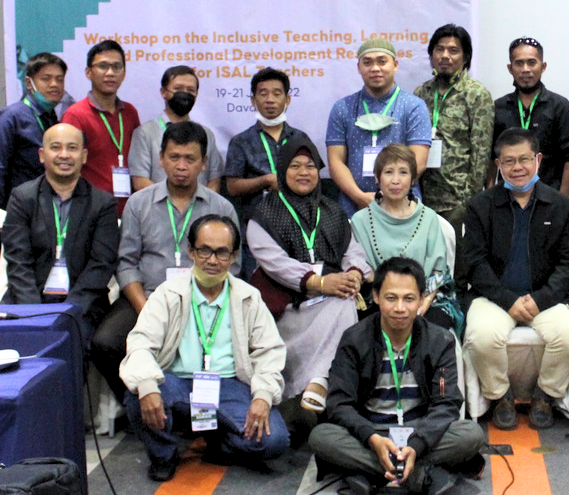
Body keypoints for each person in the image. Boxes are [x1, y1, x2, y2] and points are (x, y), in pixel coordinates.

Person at [120, 214, 290, 481]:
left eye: (222, 252)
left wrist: (262, 396)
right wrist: (148, 385)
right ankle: (164, 455)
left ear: (234, 256)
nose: (212, 260)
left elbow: (269, 352)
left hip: (229, 386)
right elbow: (141, 343)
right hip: (177, 384)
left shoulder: (249, 298)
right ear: (191, 251)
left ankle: (219, 441)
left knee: (274, 440)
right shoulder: (168, 294)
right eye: (204, 250)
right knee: (138, 393)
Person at [309, 257, 486, 494]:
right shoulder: (354, 339)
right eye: (391, 298)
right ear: (376, 296)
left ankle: (375, 474)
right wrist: (372, 438)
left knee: (470, 435)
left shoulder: (440, 341)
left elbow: (447, 403)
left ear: (422, 299)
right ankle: (419, 475)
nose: (400, 308)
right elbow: (339, 403)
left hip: (420, 431)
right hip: (371, 432)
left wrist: (417, 445)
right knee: (321, 437)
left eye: (409, 299)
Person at [99, 121, 239, 400]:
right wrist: (146, 308)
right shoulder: (138, 204)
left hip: (202, 300)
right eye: (174, 157)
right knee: (106, 342)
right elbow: (126, 263)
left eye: (190, 159)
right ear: (161, 159)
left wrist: (202, 302)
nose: (181, 166)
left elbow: (232, 267)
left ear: (204, 163)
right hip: (146, 297)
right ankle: (136, 403)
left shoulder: (221, 207)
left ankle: (188, 410)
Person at [462, 129, 569, 432]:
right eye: (509, 161)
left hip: (545, 298)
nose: (518, 167)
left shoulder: (561, 206)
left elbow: (568, 265)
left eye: (525, 159)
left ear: (538, 160)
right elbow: (475, 264)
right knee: (481, 337)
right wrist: (508, 300)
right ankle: (499, 395)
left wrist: (540, 299)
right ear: (498, 165)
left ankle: (545, 395)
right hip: (495, 298)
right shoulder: (480, 206)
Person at [243, 133, 368, 412]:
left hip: (329, 300)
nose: (304, 172)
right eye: (295, 166)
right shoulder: (264, 214)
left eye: (310, 166)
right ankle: (320, 383)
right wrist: (320, 282)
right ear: (282, 170)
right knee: (342, 304)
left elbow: (352, 250)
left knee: (345, 299)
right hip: (287, 307)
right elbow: (274, 263)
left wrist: (354, 274)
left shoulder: (332, 211)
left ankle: (320, 382)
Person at [1, 124, 120, 335]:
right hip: (27, 300)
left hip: (82, 305)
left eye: (72, 148)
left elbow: (101, 265)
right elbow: (18, 262)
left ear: (84, 156)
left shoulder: (102, 204)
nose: (64, 155)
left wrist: (67, 312)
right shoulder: (22, 198)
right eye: (55, 147)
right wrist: (35, 314)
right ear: (42, 155)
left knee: (83, 339)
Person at [350, 144, 462, 334]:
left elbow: (438, 272)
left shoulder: (429, 218)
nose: (396, 180)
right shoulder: (361, 221)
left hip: (427, 298)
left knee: (432, 334)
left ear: (412, 179)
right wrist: (392, 302)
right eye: (388, 172)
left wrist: (420, 305)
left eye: (403, 172)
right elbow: (365, 272)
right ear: (377, 177)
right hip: (378, 300)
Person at [325, 38, 432, 215]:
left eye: (382, 62)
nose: (375, 68)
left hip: (403, 203)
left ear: (395, 65)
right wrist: (359, 196)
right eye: (367, 63)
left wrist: (389, 196)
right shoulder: (342, 108)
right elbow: (336, 162)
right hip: (354, 205)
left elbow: (418, 162)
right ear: (359, 68)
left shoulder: (414, 106)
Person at [413, 23, 494, 219]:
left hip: (457, 201)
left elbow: (481, 153)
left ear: (465, 58)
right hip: (421, 198)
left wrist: (469, 200)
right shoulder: (421, 93)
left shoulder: (476, 94)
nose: (445, 56)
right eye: (439, 49)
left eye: (453, 50)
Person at [492, 37, 569, 195]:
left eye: (532, 63)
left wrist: (562, 200)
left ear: (543, 66)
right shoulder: (498, 107)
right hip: (506, 197)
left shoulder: (560, 106)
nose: (525, 69)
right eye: (519, 63)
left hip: (549, 196)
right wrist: (490, 194)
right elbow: (491, 157)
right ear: (510, 68)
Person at [61, 40, 142, 202]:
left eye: (117, 67)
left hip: (129, 206)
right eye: (103, 66)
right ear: (88, 72)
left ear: (124, 73)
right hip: (91, 207)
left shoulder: (130, 112)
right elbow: (67, 166)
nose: (110, 73)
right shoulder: (75, 115)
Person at [0, 52, 66, 207]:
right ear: (29, 82)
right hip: (17, 209)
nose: (54, 84)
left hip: (50, 208)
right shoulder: (11, 117)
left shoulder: (54, 119)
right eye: (46, 79)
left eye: (59, 79)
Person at [224, 67, 313, 212]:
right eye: (263, 94)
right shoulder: (241, 141)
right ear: (253, 100)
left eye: (277, 94)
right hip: (258, 217)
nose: (270, 100)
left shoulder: (300, 138)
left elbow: (313, 178)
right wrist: (266, 180)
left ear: (287, 100)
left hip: (298, 215)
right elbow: (232, 187)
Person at [130, 65, 227, 195]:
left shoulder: (206, 134)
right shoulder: (144, 133)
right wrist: (173, 202)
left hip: (201, 206)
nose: (185, 94)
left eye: (190, 90)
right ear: (163, 92)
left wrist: (200, 204)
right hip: (157, 205)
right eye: (178, 88)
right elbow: (140, 181)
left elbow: (214, 180)